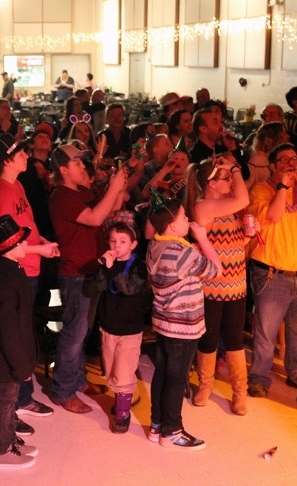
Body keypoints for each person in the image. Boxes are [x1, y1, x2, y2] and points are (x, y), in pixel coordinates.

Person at [48, 143, 127, 414]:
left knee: (82, 331)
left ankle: (77, 380)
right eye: (77, 163)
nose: (83, 166)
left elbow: (109, 212)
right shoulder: (61, 196)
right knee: (74, 332)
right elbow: (95, 219)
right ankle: (62, 390)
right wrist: (114, 188)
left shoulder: (80, 191)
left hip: (90, 269)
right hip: (75, 273)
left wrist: (119, 186)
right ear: (63, 169)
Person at [0, 133, 60, 429]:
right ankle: (13, 406)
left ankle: (23, 398)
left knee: (26, 334)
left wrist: (41, 240)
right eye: (20, 153)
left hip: (31, 267)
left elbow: (25, 226)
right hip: (19, 270)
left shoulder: (16, 185)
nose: (27, 156)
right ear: (7, 159)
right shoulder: (3, 193)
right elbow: (3, 244)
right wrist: (38, 249)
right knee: (16, 337)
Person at [246, 143, 297, 399]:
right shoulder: (261, 189)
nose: (291, 163)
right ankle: (259, 377)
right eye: (283, 160)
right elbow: (272, 216)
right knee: (266, 333)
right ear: (272, 166)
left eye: (294, 158)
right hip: (272, 274)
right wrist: (282, 186)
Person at [146, 194, 220, 450]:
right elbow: (216, 269)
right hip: (183, 325)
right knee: (177, 378)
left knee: (163, 372)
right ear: (172, 224)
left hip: (165, 321)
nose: (188, 219)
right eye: (183, 217)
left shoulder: (155, 245)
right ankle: (172, 431)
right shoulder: (181, 252)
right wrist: (201, 238)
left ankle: (156, 426)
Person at [184, 155, 250, 415]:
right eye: (226, 178)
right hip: (210, 285)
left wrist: (246, 236)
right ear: (211, 183)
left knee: (234, 339)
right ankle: (205, 386)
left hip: (235, 283)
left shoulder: (226, 206)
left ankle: (239, 393)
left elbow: (227, 244)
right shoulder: (203, 207)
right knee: (209, 338)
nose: (231, 181)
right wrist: (234, 167)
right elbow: (244, 198)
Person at [0, 215, 39, 470]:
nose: (26, 244)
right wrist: (20, 364)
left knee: (9, 401)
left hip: (13, 356)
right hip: (7, 359)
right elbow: (7, 330)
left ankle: (8, 440)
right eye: (22, 241)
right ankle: (1, 450)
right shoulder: (3, 280)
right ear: (12, 246)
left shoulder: (9, 269)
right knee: (5, 402)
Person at [96, 213, 152, 433]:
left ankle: (122, 413)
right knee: (111, 371)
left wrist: (111, 268)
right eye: (113, 241)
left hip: (129, 329)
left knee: (124, 371)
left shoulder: (138, 265)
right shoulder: (108, 262)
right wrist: (103, 267)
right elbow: (99, 287)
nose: (116, 246)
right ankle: (121, 401)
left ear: (133, 244)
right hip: (109, 326)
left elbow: (129, 289)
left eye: (122, 242)